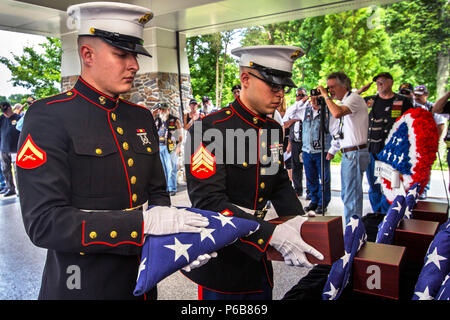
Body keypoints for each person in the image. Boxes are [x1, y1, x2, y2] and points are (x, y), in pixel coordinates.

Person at [16, 2, 211, 300]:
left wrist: (174, 241)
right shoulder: (48, 116)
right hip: (81, 285)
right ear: (87, 54)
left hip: (141, 283)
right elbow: (43, 223)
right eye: (122, 54)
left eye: (135, 55)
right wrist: (142, 225)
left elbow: (157, 193)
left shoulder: (140, 117)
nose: (134, 64)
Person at [183, 45, 324, 300]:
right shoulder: (207, 129)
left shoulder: (270, 129)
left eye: (283, 88)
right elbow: (208, 201)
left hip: (259, 259)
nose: (280, 95)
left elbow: (279, 184)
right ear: (245, 79)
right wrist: (270, 233)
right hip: (223, 260)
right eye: (273, 86)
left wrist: (299, 223)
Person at [317, 72, 369, 224]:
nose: (330, 90)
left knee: (351, 196)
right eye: (328, 87)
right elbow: (342, 131)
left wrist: (326, 96)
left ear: (344, 85)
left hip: (354, 152)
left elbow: (336, 113)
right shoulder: (348, 100)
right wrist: (333, 150)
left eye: (332, 87)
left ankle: (353, 233)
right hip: (350, 152)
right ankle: (353, 229)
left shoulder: (353, 99)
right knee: (349, 194)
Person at [364, 73, 413, 214]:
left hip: (392, 152)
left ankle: (388, 215)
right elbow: (348, 104)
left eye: (382, 82)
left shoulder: (403, 101)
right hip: (372, 149)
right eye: (377, 82)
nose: (379, 85)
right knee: (374, 184)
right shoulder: (371, 101)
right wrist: (361, 91)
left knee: (392, 184)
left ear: (391, 82)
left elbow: (412, 122)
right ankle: (377, 214)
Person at [413, 85, 446, 199]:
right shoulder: (411, 106)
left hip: (427, 143)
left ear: (426, 95)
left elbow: (441, 125)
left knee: (425, 168)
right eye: (415, 95)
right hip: (412, 142)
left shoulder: (432, 107)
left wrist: (435, 140)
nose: (416, 97)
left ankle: (423, 190)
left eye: (419, 95)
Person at [282, 88, 307, 197]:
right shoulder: (294, 108)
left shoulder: (308, 107)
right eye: (298, 95)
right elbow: (285, 122)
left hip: (306, 142)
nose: (300, 97)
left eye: (302, 95)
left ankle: (310, 192)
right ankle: (298, 189)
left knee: (307, 166)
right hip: (295, 141)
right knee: (295, 166)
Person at [154, 102, 183, 196]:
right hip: (159, 146)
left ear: (168, 109)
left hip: (171, 147)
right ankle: (166, 188)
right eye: (160, 109)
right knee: (162, 170)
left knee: (171, 169)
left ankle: (172, 188)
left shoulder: (175, 120)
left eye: (163, 109)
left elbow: (180, 135)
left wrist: (179, 147)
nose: (162, 111)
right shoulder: (157, 120)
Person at [0, 101, 23, 197]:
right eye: (3, 111)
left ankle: (20, 190)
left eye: (6, 110)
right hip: (4, 149)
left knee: (17, 171)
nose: (5, 112)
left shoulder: (18, 118)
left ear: (10, 108)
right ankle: (10, 188)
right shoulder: (1, 119)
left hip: (15, 149)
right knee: (6, 170)